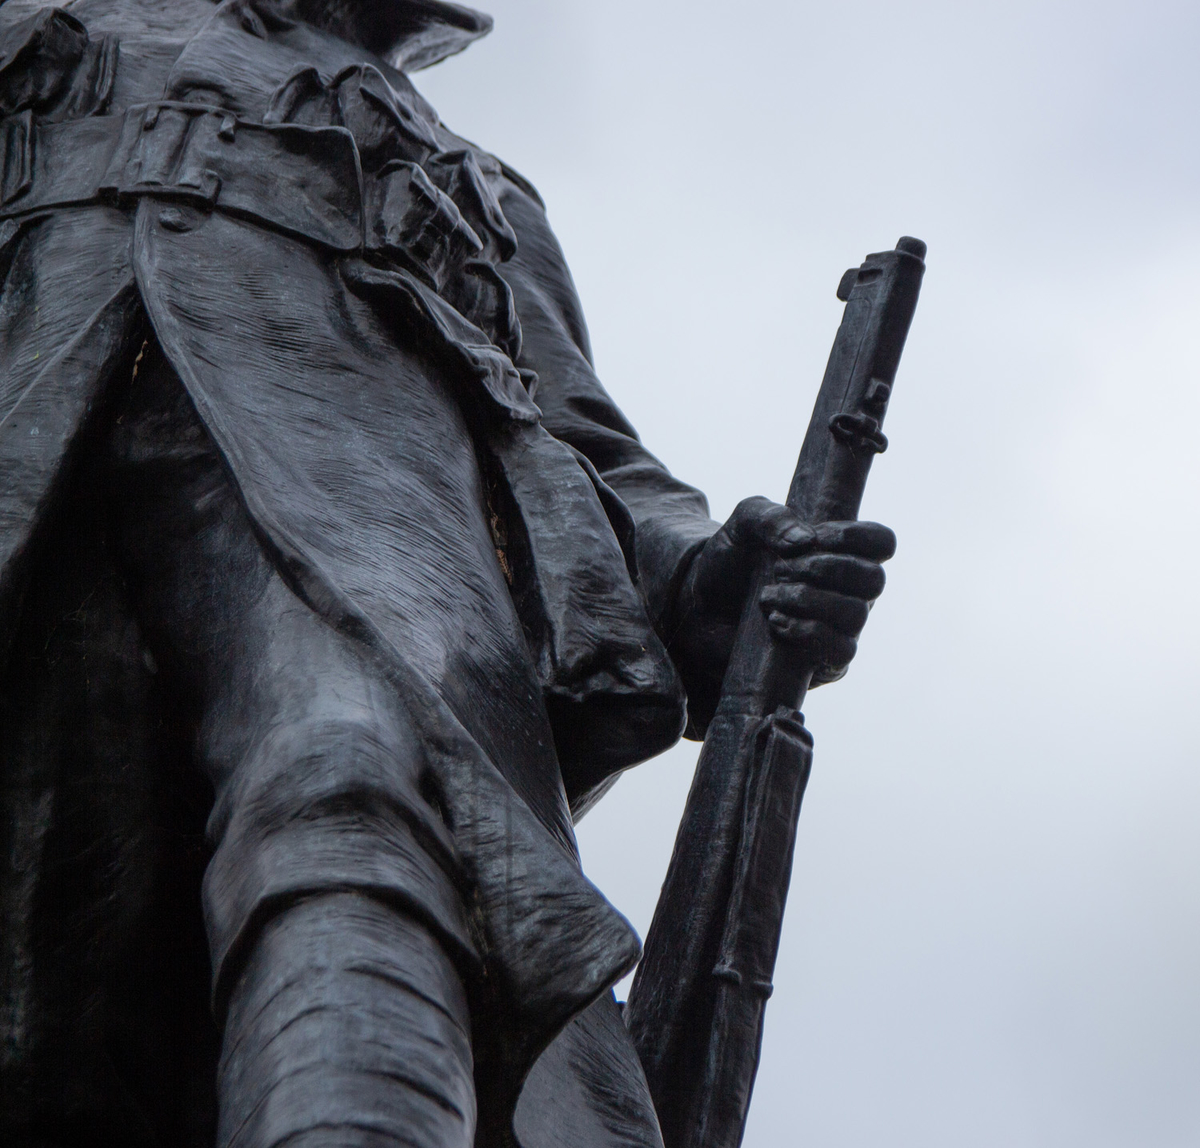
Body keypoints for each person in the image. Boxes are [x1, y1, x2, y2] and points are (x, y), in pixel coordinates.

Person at [0, 1, 896, 1146]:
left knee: (355, 777)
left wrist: (706, 580)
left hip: (368, 522)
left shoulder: (477, 184)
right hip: (37, 460)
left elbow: (574, 445)